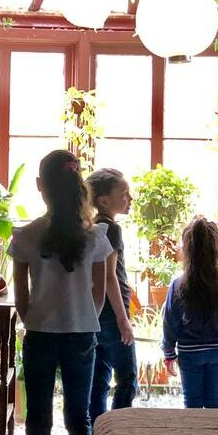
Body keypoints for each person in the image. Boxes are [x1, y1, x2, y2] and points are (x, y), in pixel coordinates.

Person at [8, 149, 120, 435]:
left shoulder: (25, 235)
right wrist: (83, 317)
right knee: (80, 424)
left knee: (37, 429)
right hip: (81, 336)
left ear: (42, 187)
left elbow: (20, 296)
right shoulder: (95, 236)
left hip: (40, 335)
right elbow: (100, 293)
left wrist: (34, 317)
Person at [161, 217, 218, 409]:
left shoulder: (178, 284)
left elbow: (170, 322)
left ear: (187, 249)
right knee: (215, 402)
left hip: (189, 352)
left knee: (192, 403)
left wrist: (169, 353)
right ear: (217, 248)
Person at [85, 168, 137, 419]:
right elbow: (109, 275)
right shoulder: (111, 229)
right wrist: (122, 319)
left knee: (99, 381)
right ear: (104, 200)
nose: (129, 199)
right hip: (111, 312)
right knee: (127, 379)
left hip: (94, 312)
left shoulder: (91, 226)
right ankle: (119, 433)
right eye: (124, 194)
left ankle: (97, 433)